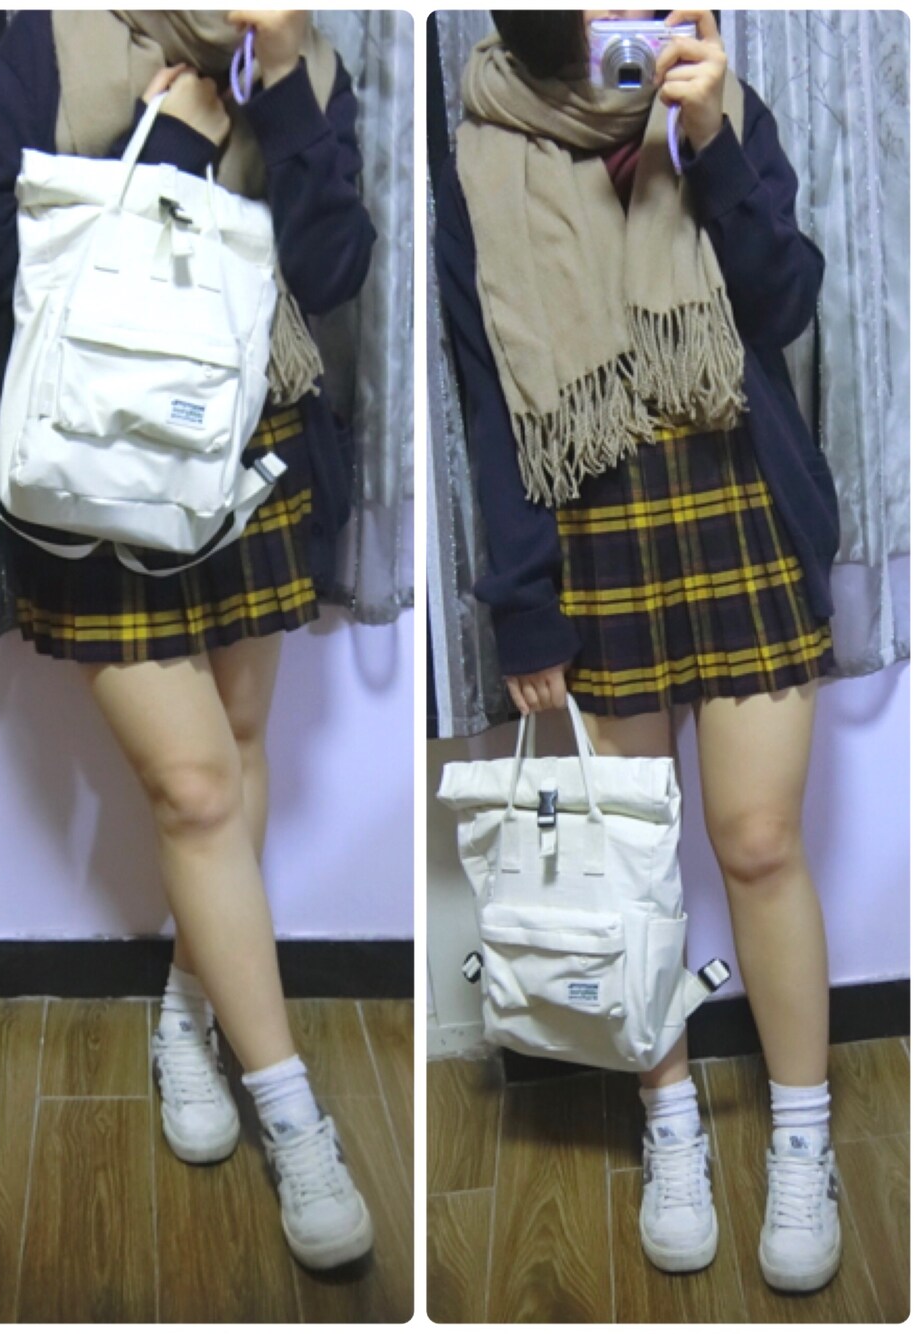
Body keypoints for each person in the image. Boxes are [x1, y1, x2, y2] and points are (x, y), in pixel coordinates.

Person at [435, 8, 842, 1293]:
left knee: (757, 840)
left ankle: (802, 1137)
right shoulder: (481, 144)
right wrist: (522, 601)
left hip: (737, 503)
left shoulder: (708, 105)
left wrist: (711, 137)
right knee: (632, 866)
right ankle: (670, 1122)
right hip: (592, 526)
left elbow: (783, 302)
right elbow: (487, 392)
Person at [0, 9, 377, 1271]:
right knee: (195, 786)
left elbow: (333, 268)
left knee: (238, 747)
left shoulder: (300, 50)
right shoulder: (51, 36)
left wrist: (284, 82)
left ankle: (190, 1017)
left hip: (248, 442)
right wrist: (179, 155)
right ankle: (294, 1111)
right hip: (96, 459)